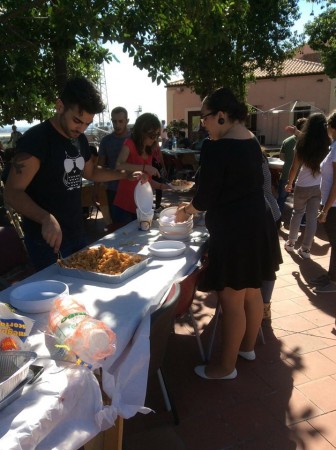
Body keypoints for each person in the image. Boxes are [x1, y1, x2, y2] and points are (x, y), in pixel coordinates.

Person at [175, 87, 282, 380]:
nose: (203, 125)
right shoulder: (251, 141)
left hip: (235, 232)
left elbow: (206, 196)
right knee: (253, 292)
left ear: (221, 116)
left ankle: (225, 366)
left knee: (231, 301)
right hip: (258, 225)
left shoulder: (217, 147)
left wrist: (186, 211)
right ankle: (247, 347)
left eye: (205, 118)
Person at [4, 77, 144, 270]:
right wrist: (45, 218)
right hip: (46, 241)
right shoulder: (37, 140)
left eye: (87, 123)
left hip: (77, 233)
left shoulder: (80, 140)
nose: (81, 128)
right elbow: (12, 192)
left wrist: (123, 175)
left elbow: (91, 171)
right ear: (60, 106)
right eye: (77, 120)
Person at [284, 113, 330, 258]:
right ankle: (306, 250)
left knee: (297, 213)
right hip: (319, 187)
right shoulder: (328, 144)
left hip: (302, 185)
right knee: (311, 218)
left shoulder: (302, 143)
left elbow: (294, 167)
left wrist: (289, 183)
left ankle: (291, 243)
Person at [112, 113, 171, 224]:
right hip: (124, 206)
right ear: (141, 132)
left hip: (141, 207)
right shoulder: (129, 143)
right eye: (152, 135)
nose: (154, 139)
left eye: (157, 135)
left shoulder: (149, 150)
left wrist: (163, 186)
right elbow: (119, 165)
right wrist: (145, 167)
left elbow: (146, 180)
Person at [313, 110, 336, 293]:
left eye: (328, 124)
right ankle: (331, 276)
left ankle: (334, 282)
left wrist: (326, 209)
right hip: (331, 204)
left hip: (334, 206)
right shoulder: (333, 146)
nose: (326, 128)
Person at [96, 106, 130, 224]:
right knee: (117, 226)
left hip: (132, 188)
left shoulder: (135, 139)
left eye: (120, 121)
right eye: (114, 121)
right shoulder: (106, 141)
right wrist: (96, 188)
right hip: (113, 189)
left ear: (127, 121)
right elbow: (99, 166)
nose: (117, 124)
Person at [277, 118, 307, 215]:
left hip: (286, 173)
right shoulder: (308, 142)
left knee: (282, 197)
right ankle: (302, 219)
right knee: (301, 201)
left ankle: (277, 215)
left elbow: (281, 157)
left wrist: (290, 160)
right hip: (302, 176)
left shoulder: (287, 141)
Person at [152, 144, 167, 211]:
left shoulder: (156, 144)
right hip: (150, 166)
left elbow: (160, 156)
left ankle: (158, 205)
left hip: (157, 166)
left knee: (158, 187)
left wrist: (164, 167)